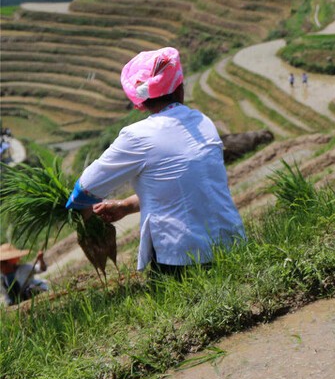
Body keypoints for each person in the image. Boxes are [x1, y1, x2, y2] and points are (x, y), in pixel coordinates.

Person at [64, 47, 245, 276]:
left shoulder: (138, 136)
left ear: (140, 101)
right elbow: (184, 188)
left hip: (184, 259)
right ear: (180, 88)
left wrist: (76, 213)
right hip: (233, 245)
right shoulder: (203, 122)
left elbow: (85, 190)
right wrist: (126, 206)